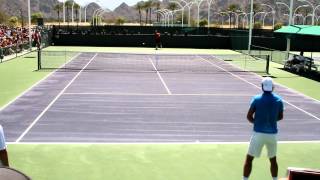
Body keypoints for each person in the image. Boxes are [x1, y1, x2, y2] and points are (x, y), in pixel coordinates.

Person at [243, 77, 284, 180]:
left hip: (258, 134)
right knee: (273, 160)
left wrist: (256, 123)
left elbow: (249, 116)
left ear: (262, 87)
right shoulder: (278, 100)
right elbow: (280, 116)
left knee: (249, 159)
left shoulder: (256, 99)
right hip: (272, 135)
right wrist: (271, 121)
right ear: (272, 87)